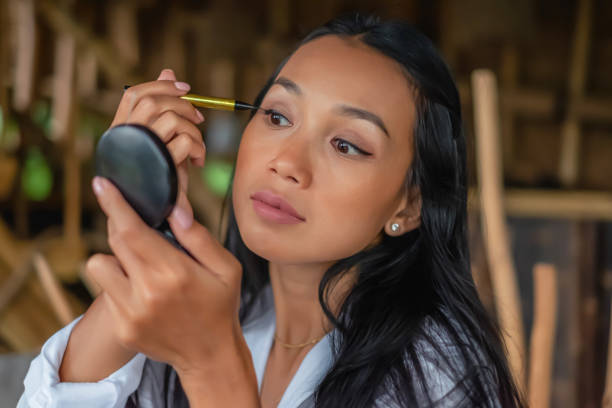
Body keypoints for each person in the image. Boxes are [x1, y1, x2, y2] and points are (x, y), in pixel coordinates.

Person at [18, 12, 525, 408]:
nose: (287, 163)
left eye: (347, 144)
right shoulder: (225, 319)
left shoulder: (438, 374)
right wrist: (140, 226)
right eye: (278, 115)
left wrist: (212, 364)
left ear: (409, 205)